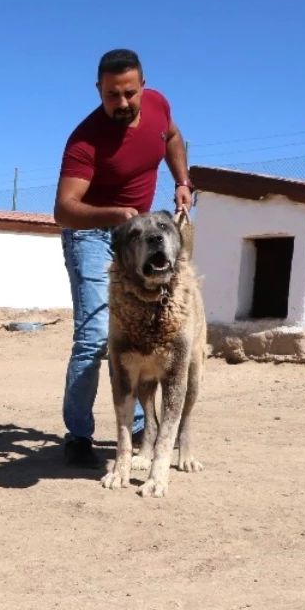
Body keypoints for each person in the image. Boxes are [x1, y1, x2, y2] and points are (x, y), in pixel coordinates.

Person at [52, 48, 192, 468]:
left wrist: (183, 181)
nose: (123, 102)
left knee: (145, 331)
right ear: (99, 91)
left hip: (143, 235)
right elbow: (64, 208)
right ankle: (78, 433)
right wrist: (115, 214)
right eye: (112, 95)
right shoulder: (85, 140)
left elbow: (171, 137)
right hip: (93, 234)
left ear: (143, 87)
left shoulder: (158, 105)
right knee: (97, 337)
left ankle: (134, 429)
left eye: (129, 92)